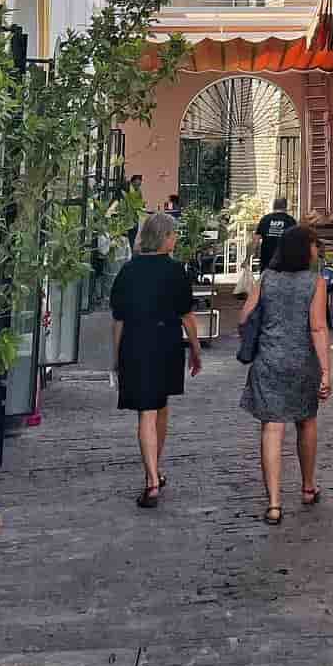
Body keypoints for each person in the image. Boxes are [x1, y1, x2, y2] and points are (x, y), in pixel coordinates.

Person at [238, 223, 331, 523]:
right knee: (306, 422)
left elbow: (244, 316)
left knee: (272, 429)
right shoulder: (315, 282)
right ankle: (307, 487)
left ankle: (275, 504)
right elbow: (317, 326)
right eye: (315, 245)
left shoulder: (266, 278)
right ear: (305, 249)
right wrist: (326, 370)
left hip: (269, 362)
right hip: (302, 362)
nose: (317, 251)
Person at [110, 211, 203, 509]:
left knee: (151, 410)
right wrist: (196, 351)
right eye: (173, 234)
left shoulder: (128, 271)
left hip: (136, 344)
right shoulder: (175, 271)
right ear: (164, 238)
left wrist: (116, 355)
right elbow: (187, 316)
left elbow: (119, 320)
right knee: (157, 407)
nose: (175, 239)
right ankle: (153, 476)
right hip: (166, 344)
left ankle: (153, 472)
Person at [252, 194, 297, 274]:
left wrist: (249, 257)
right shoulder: (291, 221)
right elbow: (296, 243)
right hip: (285, 263)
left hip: (267, 261)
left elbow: (255, 241)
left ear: (273, 206)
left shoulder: (265, 219)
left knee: (266, 285)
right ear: (286, 207)